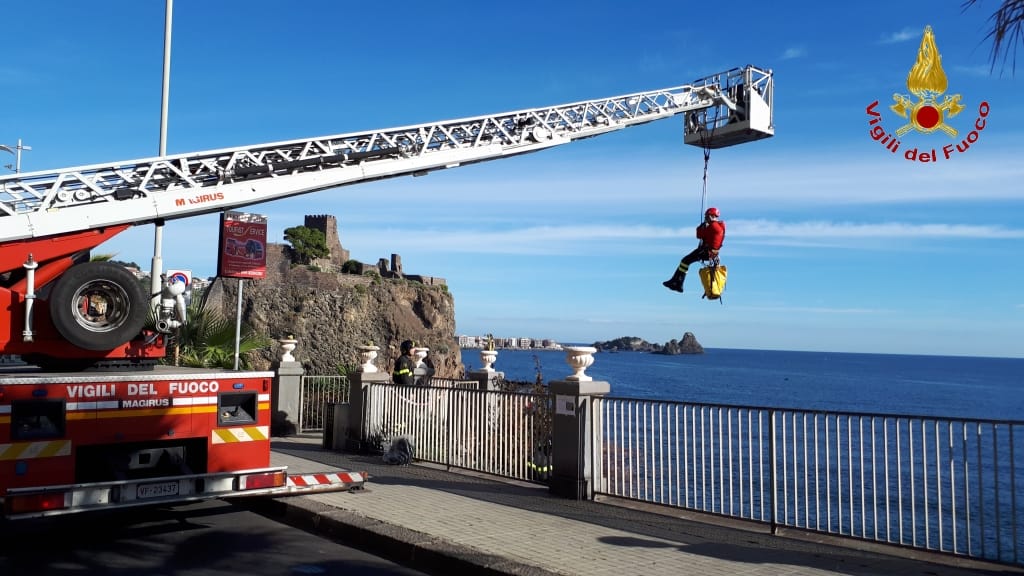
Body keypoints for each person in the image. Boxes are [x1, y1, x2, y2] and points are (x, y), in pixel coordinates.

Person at [662, 207, 725, 293]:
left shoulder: (713, 226)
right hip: (710, 253)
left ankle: (678, 284)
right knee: (685, 261)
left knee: (685, 261)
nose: (706, 218)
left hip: (706, 252)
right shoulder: (719, 226)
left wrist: (702, 225)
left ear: (711, 216)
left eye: (707, 216)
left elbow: (699, 235)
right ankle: (676, 282)